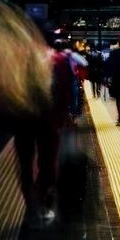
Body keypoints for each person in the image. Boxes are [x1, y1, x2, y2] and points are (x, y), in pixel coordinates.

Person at [13, 36, 80, 226]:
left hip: (23, 119)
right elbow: (67, 91)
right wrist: (66, 114)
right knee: (48, 163)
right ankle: (43, 202)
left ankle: (31, 207)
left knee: (25, 164)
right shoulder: (60, 61)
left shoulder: (16, 61)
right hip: (49, 120)